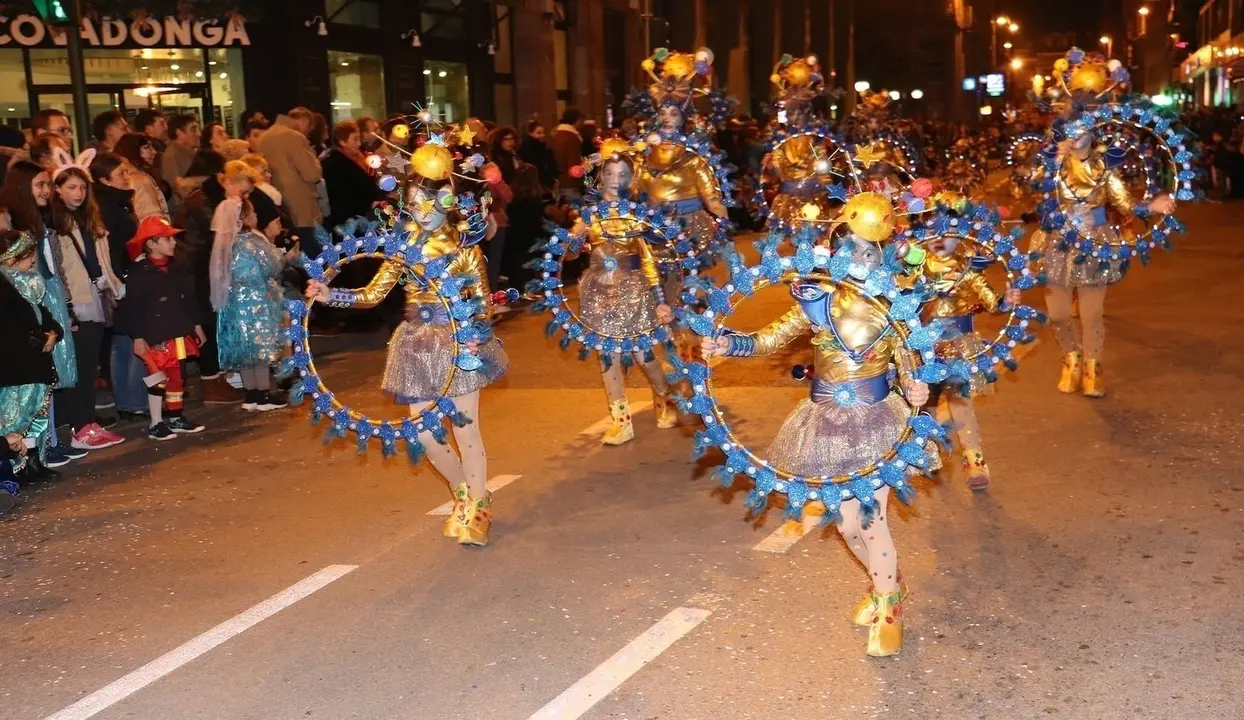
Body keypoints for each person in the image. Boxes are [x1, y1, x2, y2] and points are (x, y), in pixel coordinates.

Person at [700, 234, 935, 657]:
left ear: (881, 258)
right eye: (851, 250)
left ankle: (887, 614)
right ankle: (891, 586)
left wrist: (919, 392)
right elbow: (769, 338)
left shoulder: (893, 305)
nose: (858, 259)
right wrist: (728, 343)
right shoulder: (818, 301)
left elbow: (912, 363)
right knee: (845, 525)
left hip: (877, 421)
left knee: (869, 519)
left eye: (868, 252)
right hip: (824, 422)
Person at [306, 139, 507, 547]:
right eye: (414, 203)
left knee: (465, 431)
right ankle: (464, 494)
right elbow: (373, 294)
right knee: (425, 435)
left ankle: (479, 509)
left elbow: (481, 304)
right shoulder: (402, 246)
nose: (421, 211)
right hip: (415, 345)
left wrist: (475, 337)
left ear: (446, 201)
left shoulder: (464, 247)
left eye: (429, 203)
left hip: (459, 345)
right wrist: (332, 296)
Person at [566, 139, 677, 444]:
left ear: (631, 179)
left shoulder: (637, 214)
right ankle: (621, 421)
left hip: (633, 290)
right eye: (611, 174)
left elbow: (648, 259)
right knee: (607, 356)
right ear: (601, 176)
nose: (616, 180)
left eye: (623, 175)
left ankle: (664, 397)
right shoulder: (589, 215)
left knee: (644, 355)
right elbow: (570, 256)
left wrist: (659, 300)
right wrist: (572, 240)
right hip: (598, 291)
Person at [0, 161, 82, 467]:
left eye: (48, 184)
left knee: (46, 379)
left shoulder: (42, 219)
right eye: (39, 185)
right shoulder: (14, 228)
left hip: (47, 295)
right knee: (27, 391)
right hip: (21, 326)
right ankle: (29, 454)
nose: (46, 191)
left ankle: (48, 445)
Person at [49, 149, 126, 450]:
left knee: (89, 365)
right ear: (58, 189)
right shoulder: (56, 224)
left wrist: (112, 285)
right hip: (76, 302)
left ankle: (87, 421)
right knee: (79, 366)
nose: (78, 193)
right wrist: (66, 306)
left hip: (94, 295)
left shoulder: (86, 219)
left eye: (82, 187)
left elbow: (98, 258)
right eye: (71, 187)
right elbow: (59, 268)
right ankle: (80, 427)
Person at [208, 161, 292, 412]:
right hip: (257, 304)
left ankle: (252, 395)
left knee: (246, 353)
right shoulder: (251, 242)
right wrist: (280, 254)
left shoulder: (231, 245)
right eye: (253, 213)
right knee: (261, 350)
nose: (257, 216)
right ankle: (263, 394)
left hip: (237, 304)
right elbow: (271, 266)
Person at [118, 216, 207, 440]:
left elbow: (188, 299)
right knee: (157, 378)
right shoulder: (139, 273)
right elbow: (133, 308)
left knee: (176, 376)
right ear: (151, 243)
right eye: (167, 239)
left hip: (177, 331)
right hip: (153, 335)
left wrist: (196, 325)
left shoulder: (177, 268)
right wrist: (137, 337)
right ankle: (156, 423)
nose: (174, 243)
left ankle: (175, 416)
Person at [171, 155, 240, 404]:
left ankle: (216, 378)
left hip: (200, 268)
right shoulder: (204, 202)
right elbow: (217, 236)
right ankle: (211, 381)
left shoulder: (209, 197)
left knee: (211, 321)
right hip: (193, 269)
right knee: (205, 324)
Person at [0, 229, 61, 484]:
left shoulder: (30, 284)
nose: (33, 261)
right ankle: (15, 466)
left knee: (37, 417)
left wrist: (54, 333)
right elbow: (10, 331)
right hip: (17, 369)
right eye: (27, 256)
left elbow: (43, 316)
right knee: (15, 418)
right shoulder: (4, 290)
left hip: (37, 365)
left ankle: (34, 461)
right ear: (12, 259)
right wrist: (36, 340)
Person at [90, 152, 147, 423]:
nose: (127, 177)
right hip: (122, 279)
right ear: (104, 179)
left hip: (124, 275)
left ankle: (128, 401)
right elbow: (110, 249)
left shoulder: (116, 202)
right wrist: (119, 279)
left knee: (123, 339)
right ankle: (133, 400)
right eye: (121, 173)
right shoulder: (107, 206)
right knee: (133, 338)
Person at [256, 107, 324, 254]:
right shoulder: (295, 137)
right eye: (309, 130)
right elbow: (312, 174)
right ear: (304, 122)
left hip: (278, 208)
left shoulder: (264, 137)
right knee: (314, 259)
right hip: (301, 208)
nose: (307, 134)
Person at [320, 120, 385, 231]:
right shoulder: (334, 165)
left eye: (359, 139)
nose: (359, 144)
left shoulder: (358, 158)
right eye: (355, 139)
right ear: (342, 141)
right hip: (351, 224)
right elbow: (341, 198)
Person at [483, 127, 516, 290]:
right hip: (496, 218)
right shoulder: (492, 171)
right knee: (493, 260)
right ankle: (492, 294)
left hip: (475, 220)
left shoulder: (467, 173)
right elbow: (508, 195)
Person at [113, 133, 169, 221]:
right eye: (146, 147)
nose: (153, 152)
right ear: (132, 151)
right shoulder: (140, 180)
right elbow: (152, 219)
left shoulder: (120, 177)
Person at [549, 108, 584, 201]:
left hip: (557, 181)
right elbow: (574, 164)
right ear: (577, 120)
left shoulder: (556, 135)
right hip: (569, 183)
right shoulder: (572, 137)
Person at [161, 115, 201, 188]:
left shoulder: (196, 152)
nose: (198, 134)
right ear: (179, 133)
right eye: (193, 130)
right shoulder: (170, 156)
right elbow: (177, 189)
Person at [518, 120, 557, 192]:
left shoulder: (541, 145)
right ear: (530, 133)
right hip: (537, 181)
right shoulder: (534, 146)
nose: (542, 135)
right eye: (538, 133)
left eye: (543, 133)